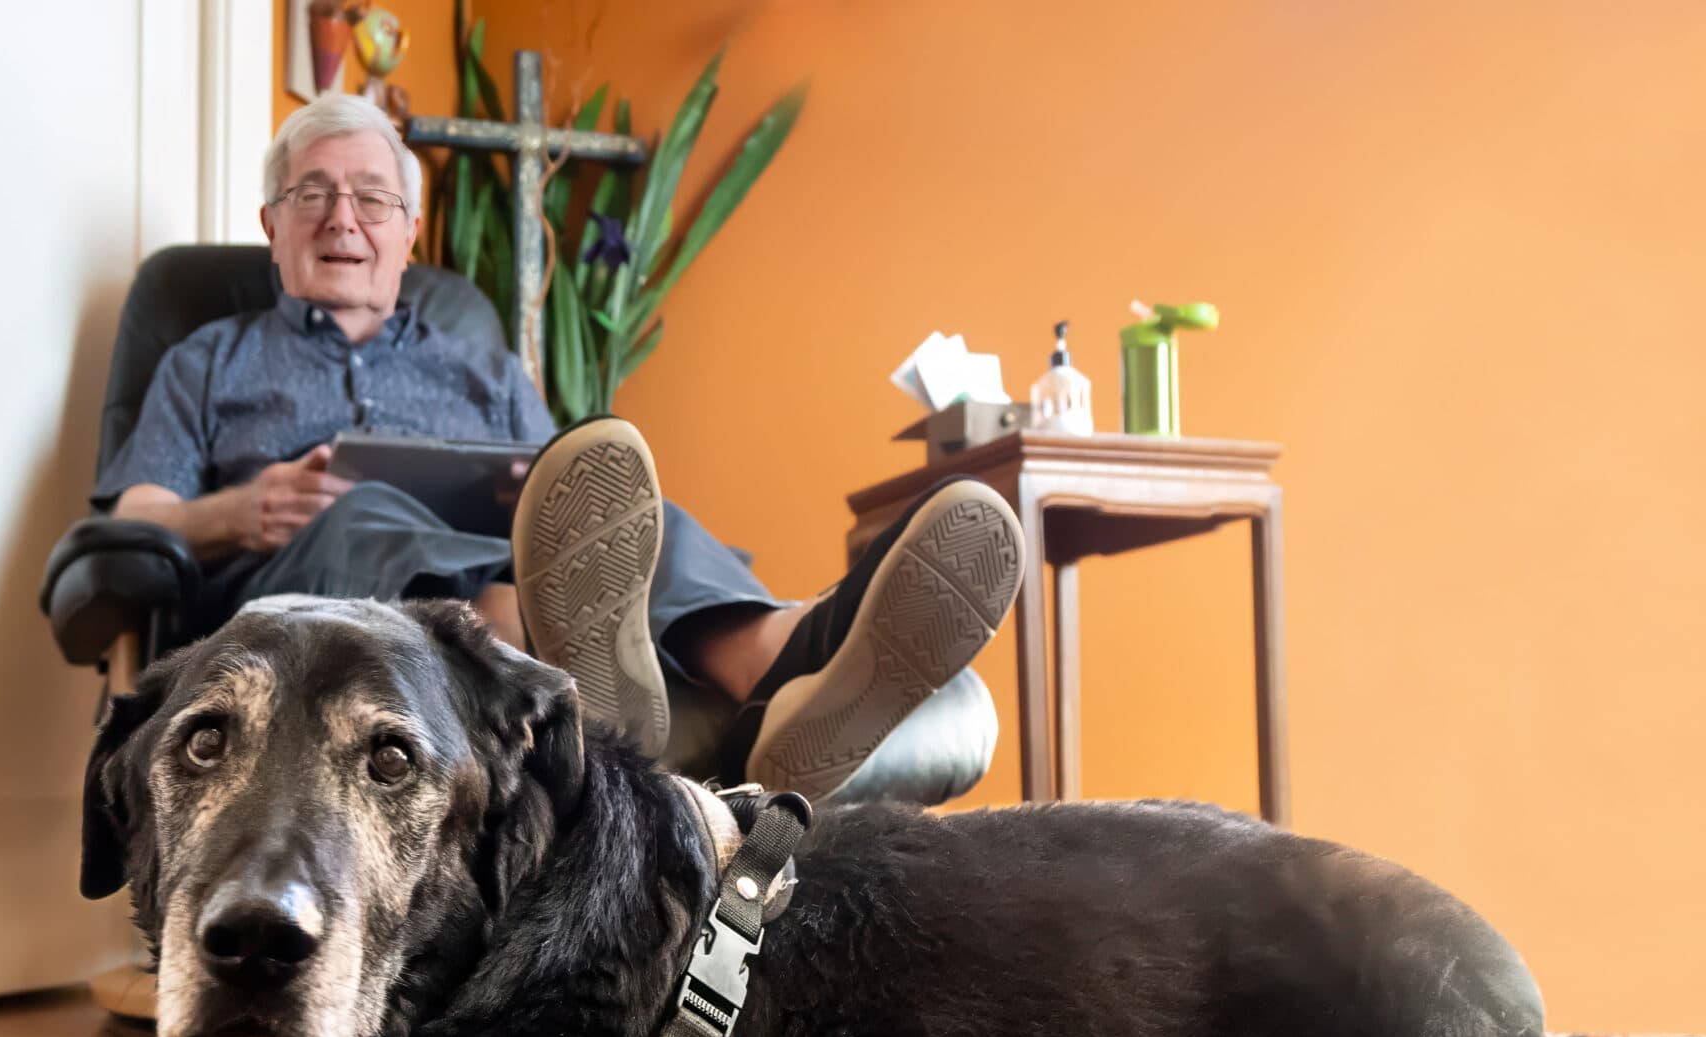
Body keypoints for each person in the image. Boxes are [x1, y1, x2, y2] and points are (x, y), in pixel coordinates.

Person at [97, 92, 1024, 799]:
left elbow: (578, 516)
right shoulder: (208, 359)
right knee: (373, 506)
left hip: (496, 589)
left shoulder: (483, 369)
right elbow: (137, 516)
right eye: (314, 194)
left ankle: (779, 663)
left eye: (372, 198)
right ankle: (545, 662)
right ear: (272, 226)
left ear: (409, 235)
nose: (344, 217)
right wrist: (236, 510)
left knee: (631, 515)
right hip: (305, 598)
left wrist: (551, 531)